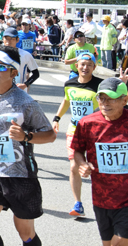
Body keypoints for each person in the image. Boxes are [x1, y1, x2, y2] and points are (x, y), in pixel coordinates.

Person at [0, 47, 56, 246]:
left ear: (13, 72)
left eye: (1, 67)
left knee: (25, 233)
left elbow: (50, 135)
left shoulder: (26, 102)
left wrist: (26, 136)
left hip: (20, 175)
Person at [72, 77, 128, 246]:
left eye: (110, 98)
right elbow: (78, 150)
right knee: (109, 244)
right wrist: (82, 164)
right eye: (101, 98)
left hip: (126, 198)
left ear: (125, 99)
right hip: (102, 198)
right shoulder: (87, 123)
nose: (104, 103)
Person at [52, 52, 102, 217]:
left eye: (89, 64)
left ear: (94, 67)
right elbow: (66, 100)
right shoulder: (69, 84)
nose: (85, 67)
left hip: (96, 133)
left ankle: (103, 202)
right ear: (77, 66)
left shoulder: (100, 85)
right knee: (74, 166)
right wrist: (57, 118)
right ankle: (78, 203)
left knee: (97, 168)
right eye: (82, 64)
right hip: (75, 131)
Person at [1, 28, 39, 93]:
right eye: (6, 38)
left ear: (17, 40)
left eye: (12, 39)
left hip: (19, 92)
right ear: (3, 39)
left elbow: (36, 74)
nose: (9, 41)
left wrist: (25, 85)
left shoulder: (25, 55)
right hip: (2, 91)